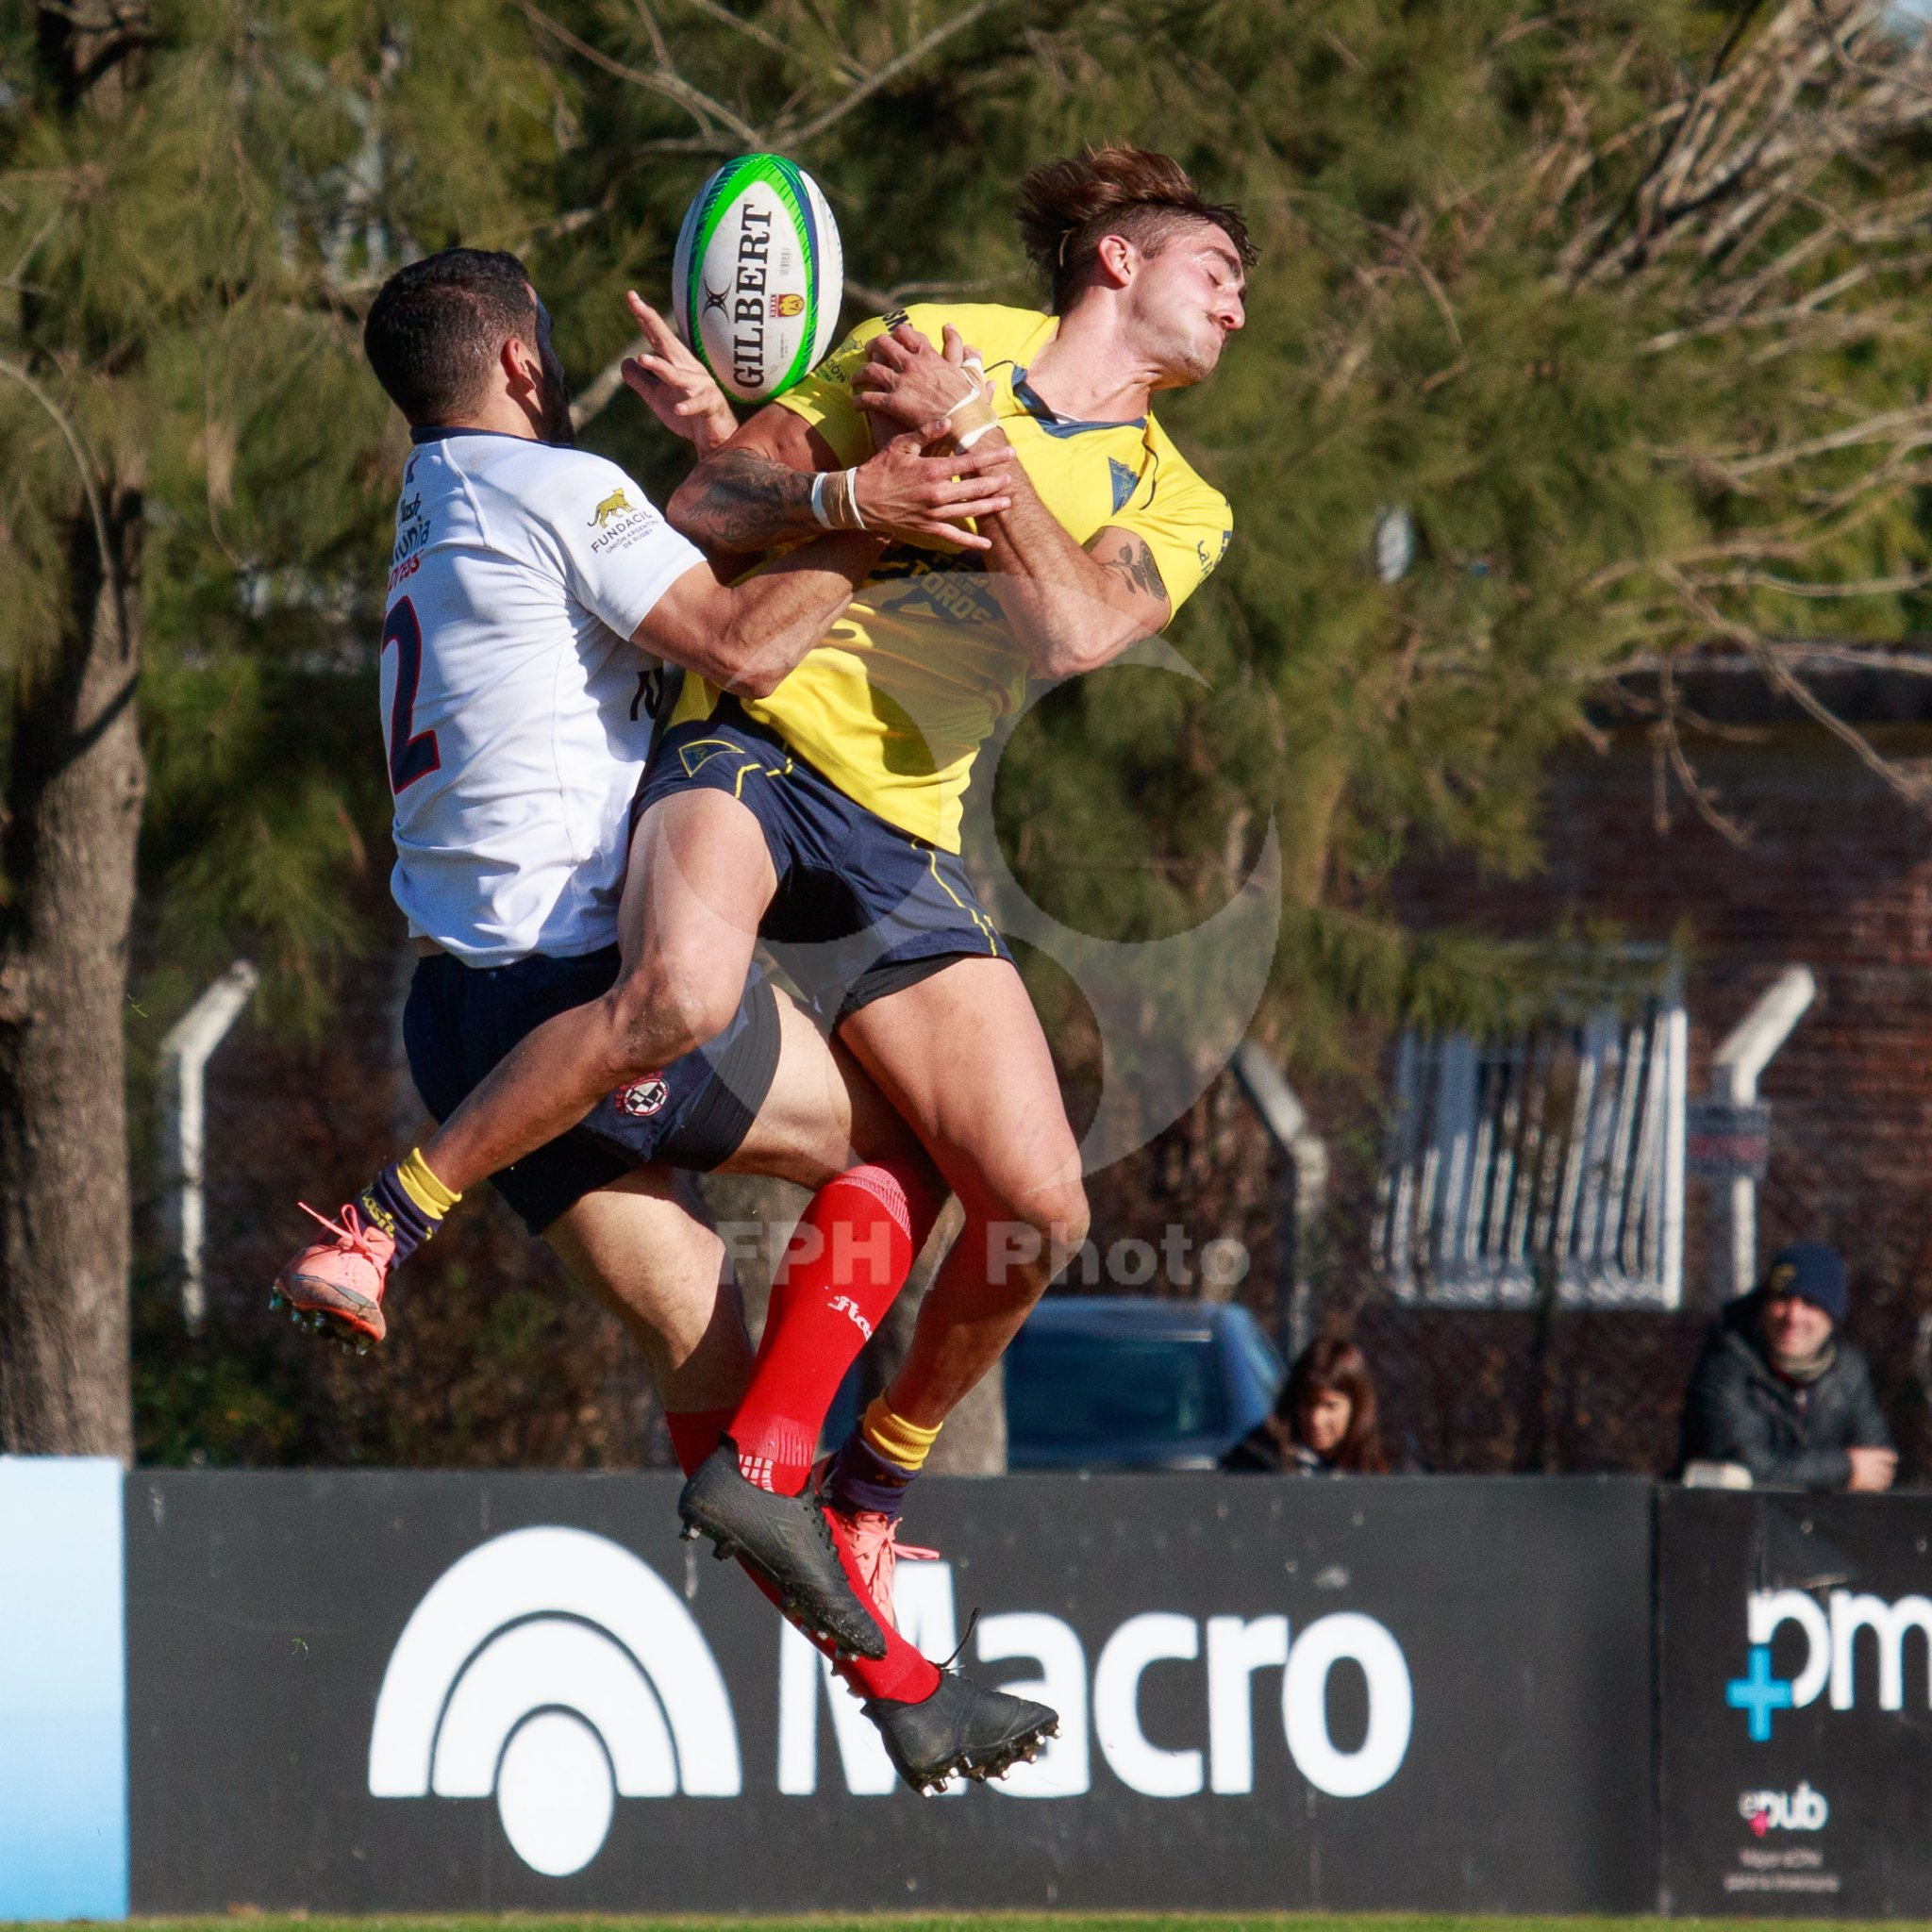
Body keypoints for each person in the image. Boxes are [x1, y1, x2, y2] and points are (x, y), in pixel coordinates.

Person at [278, 145, 1247, 1682]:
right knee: (673, 991)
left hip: (900, 834)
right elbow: (715, 504)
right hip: (750, 747)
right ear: (1115, 260)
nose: (1237, 305)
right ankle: (392, 1223)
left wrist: (968, 451)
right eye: (1217, 265)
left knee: (1038, 1203)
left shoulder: (1175, 497)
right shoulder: (931, 337)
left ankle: (853, 1502)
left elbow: (1066, 628)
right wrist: (849, 481)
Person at [274, 247, 1049, 1792]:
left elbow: (660, 586)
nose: (553, 368)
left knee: (721, 1399)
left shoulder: (440, 514)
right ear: (511, 359)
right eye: (542, 345)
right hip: (577, 994)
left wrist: (725, 449)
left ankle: (896, 1683)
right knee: (909, 1154)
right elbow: (750, 644)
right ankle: (385, 1218)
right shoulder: (557, 487)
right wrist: (875, 513)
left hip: (459, 1012)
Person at [1678, 1241, 1896, 1491]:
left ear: (1832, 1316)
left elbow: (1877, 1465)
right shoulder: (1726, 1366)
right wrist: (1845, 1468)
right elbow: (1746, 1469)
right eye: (1782, 1299)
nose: (1793, 1317)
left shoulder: (1848, 1372)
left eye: (1809, 1303)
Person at [1223, 1339, 1389, 1474]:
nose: (1316, 1419)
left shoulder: (1370, 1469)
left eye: (1330, 1406)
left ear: (1357, 1407)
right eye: (1308, 1404)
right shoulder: (1257, 1463)